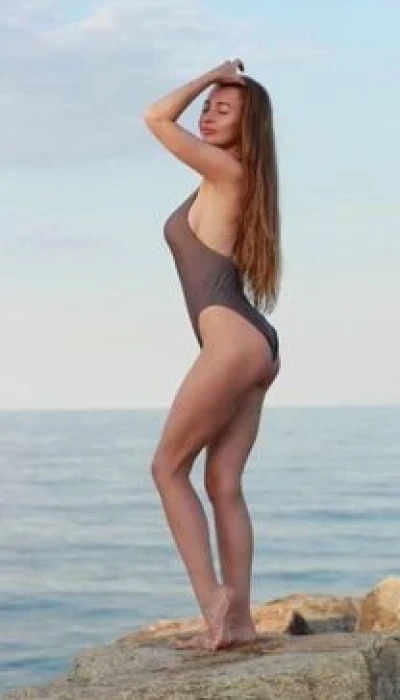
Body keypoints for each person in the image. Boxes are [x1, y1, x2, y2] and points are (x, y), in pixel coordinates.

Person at [143, 58, 282, 651]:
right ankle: (241, 624)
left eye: (223, 109)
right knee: (223, 481)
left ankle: (214, 604)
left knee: (167, 469)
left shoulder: (226, 170)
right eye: (207, 106)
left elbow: (156, 116)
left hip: (230, 341)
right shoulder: (225, 176)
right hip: (256, 343)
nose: (207, 114)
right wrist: (218, 87)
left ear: (246, 126)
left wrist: (208, 75)